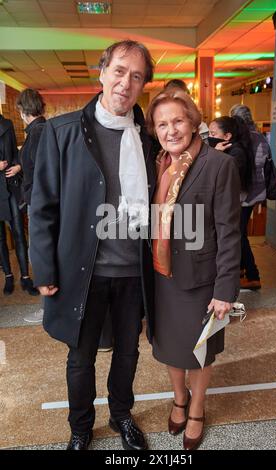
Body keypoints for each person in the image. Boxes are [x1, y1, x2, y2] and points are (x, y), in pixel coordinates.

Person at [29, 40, 156, 451]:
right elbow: (43, 205)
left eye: (136, 76)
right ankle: (81, 427)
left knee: (127, 354)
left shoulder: (148, 138)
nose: (126, 82)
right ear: (101, 72)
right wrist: (44, 270)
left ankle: (121, 415)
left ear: (143, 86)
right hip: (83, 272)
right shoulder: (61, 131)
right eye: (120, 71)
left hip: (132, 272)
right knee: (80, 358)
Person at [146, 90, 241, 450]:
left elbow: (230, 231)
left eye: (178, 121)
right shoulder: (158, 162)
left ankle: (197, 408)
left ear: (194, 122)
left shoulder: (219, 165)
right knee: (169, 346)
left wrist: (225, 289)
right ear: (155, 130)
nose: (171, 130)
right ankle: (179, 398)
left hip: (202, 280)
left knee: (199, 350)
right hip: (161, 274)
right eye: (162, 124)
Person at [16, 88, 46, 320]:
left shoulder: (37, 133)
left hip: (39, 204)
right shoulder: (42, 130)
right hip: (39, 203)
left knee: (39, 253)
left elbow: (40, 175)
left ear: (23, 110)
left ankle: (47, 308)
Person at [230, 104, 267, 290]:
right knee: (241, 232)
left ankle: (253, 275)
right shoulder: (260, 137)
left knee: (239, 234)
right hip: (257, 193)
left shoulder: (240, 139)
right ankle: (242, 269)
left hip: (243, 195)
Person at [0, 113, 38, 296]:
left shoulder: (6, 124)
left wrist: (18, 166)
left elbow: (16, 153)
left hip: (11, 186)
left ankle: (25, 277)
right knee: (0, 238)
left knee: (19, 234)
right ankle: (8, 276)